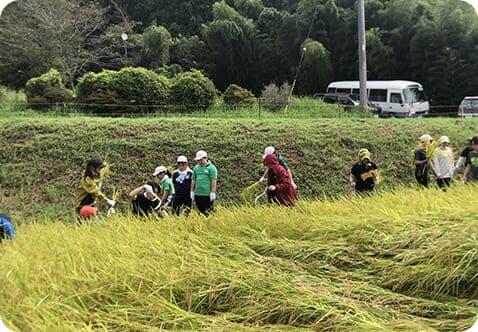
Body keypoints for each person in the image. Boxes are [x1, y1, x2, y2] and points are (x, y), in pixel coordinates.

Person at [190, 150, 218, 216]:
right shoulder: (196, 168)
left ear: (206, 158)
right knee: (200, 211)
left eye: (201, 160)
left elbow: (213, 180)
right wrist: (191, 191)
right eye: (198, 160)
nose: (199, 162)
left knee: (208, 212)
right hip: (198, 193)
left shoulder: (211, 168)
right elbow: (193, 180)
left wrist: (213, 192)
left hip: (207, 194)